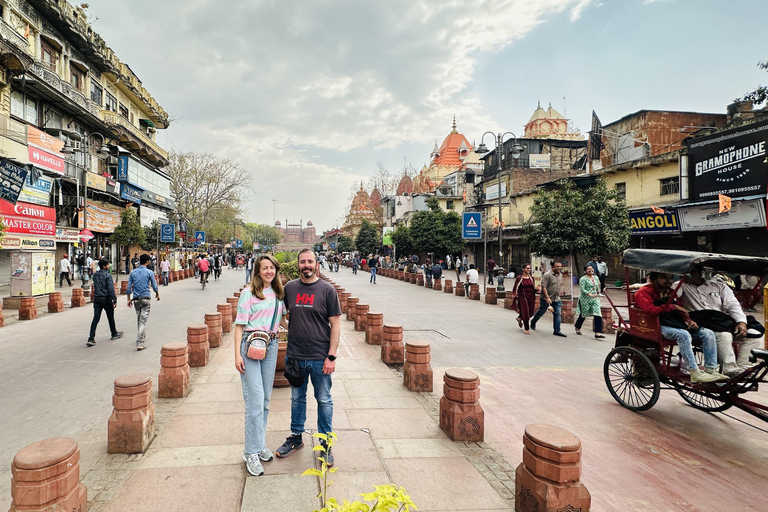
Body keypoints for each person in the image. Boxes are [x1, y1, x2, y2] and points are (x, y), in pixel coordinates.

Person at [276, 249, 341, 467]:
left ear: (316, 264)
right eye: (303, 262)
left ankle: (325, 443)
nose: (306, 265)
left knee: (323, 399)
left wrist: (331, 356)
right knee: (297, 399)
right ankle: (296, 437)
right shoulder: (290, 288)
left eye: (310, 261)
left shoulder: (327, 290)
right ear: (298, 264)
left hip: (319, 356)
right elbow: (281, 316)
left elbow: (336, 325)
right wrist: (292, 328)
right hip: (295, 356)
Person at [234, 254, 289, 476]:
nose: (268, 271)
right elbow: (239, 326)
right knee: (254, 401)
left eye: (272, 268)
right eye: (264, 268)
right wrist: (236, 356)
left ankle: (259, 443)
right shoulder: (249, 293)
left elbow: (283, 321)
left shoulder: (278, 294)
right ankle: (251, 452)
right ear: (257, 271)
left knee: (265, 400)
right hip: (249, 347)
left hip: (271, 345)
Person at [635, 271, 728, 383]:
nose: (668, 281)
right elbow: (650, 310)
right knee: (683, 335)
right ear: (654, 278)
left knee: (708, 333)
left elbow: (680, 310)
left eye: (670, 277)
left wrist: (688, 320)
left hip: (673, 323)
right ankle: (694, 371)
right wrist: (672, 306)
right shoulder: (644, 292)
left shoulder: (670, 292)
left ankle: (711, 369)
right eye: (664, 277)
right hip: (656, 325)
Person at [676, 265, 761, 377]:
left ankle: (743, 367)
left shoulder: (719, 286)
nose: (685, 276)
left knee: (755, 334)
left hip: (722, 320)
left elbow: (733, 305)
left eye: (690, 272)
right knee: (724, 336)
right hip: (702, 322)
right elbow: (671, 295)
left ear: (699, 272)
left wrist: (741, 322)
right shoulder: (680, 286)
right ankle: (730, 370)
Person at [126, 254, 160, 351]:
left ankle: (142, 335)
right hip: (145, 298)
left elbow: (129, 287)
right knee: (143, 320)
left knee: (140, 318)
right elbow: (154, 285)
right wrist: (157, 293)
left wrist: (128, 299)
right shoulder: (149, 272)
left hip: (136, 299)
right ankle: (140, 342)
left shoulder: (133, 272)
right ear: (147, 262)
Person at [87, 259, 123, 347]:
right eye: (107, 265)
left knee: (96, 318)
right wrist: (114, 299)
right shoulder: (107, 275)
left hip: (97, 299)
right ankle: (113, 333)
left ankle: (91, 338)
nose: (109, 266)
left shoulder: (95, 275)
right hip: (106, 299)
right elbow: (111, 289)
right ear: (104, 266)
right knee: (110, 317)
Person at [531, 262, 567, 337]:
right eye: (557, 266)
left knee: (557, 313)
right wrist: (547, 298)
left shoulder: (560, 275)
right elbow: (544, 287)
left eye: (560, 266)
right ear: (552, 267)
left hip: (556, 298)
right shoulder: (547, 275)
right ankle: (533, 321)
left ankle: (557, 330)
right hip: (546, 298)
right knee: (542, 311)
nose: (559, 268)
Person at [574, 266, 605, 339]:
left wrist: (598, 292)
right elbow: (582, 289)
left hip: (595, 298)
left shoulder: (596, 278)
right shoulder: (583, 279)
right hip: (585, 298)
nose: (590, 270)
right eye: (588, 269)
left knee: (598, 313)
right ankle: (577, 326)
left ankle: (598, 332)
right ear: (585, 271)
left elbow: (598, 286)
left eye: (591, 269)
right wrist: (589, 294)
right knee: (584, 314)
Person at [512, 264, 537, 335]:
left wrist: (537, 289)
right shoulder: (519, 278)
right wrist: (515, 295)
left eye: (529, 268)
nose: (528, 270)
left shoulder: (531, 278)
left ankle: (520, 318)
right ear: (523, 269)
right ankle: (526, 328)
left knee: (531, 312)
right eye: (527, 268)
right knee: (525, 312)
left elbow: (533, 287)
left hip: (531, 297)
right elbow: (515, 288)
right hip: (523, 297)